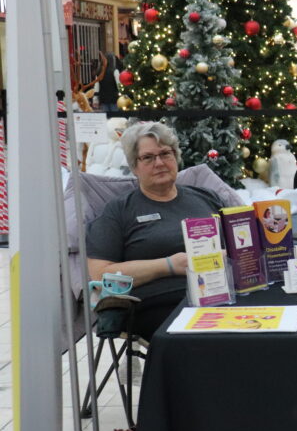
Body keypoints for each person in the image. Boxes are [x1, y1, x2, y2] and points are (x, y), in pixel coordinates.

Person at [86, 122, 224, 340]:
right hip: (161, 304)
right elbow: (101, 275)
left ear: (176, 157)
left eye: (165, 154)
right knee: (207, 339)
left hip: (220, 295)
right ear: (134, 166)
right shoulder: (120, 210)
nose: (159, 163)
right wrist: (168, 265)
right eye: (148, 157)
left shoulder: (206, 198)